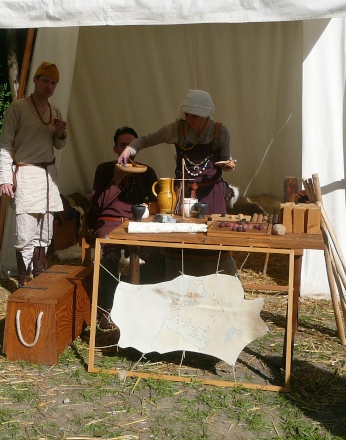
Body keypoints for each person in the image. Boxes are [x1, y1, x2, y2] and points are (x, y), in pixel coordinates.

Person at [117, 89, 237, 277]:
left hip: (212, 193)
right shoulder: (176, 129)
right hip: (183, 191)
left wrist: (228, 165)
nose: (189, 119)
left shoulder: (221, 131)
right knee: (181, 238)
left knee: (214, 240)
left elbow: (226, 160)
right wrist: (130, 150)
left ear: (206, 115)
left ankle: (216, 284)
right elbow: (147, 140)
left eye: (195, 116)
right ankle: (177, 281)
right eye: (187, 114)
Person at [0, 62, 68, 286]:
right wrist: (5, 178)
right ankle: (23, 279)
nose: (49, 86)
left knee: (45, 230)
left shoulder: (54, 111)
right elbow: (5, 145)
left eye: (53, 83)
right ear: (36, 80)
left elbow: (59, 146)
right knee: (25, 231)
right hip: (27, 174)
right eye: (46, 81)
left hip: (48, 176)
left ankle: (39, 274)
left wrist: (60, 133)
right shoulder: (18, 108)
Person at [91, 127, 160, 319]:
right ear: (115, 148)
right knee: (109, 256)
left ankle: (140, 304)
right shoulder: (104, 169)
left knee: (152, 254)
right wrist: (116, 178)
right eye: (123, 145)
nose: (127, 151)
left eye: (131, 146)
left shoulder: (146, 172)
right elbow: (98, 206)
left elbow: (157, 202)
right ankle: (107, 310)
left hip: (136, 225)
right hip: (109, 222)